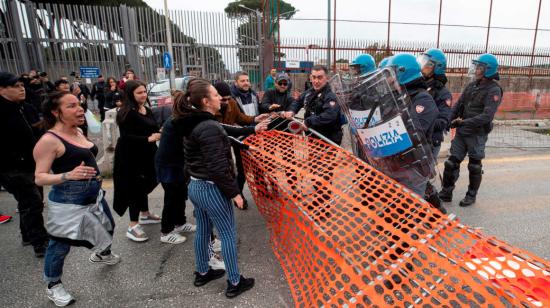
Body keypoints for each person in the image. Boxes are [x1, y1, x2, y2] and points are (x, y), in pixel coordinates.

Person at [34, 91, 120, 306]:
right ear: (56, 112)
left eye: (79, 103)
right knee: (60, 245)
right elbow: (39, 178)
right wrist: (67, 175)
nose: (80, 108)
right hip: (68, 200)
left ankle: (102, 253)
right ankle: (53, 285)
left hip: (94, 194)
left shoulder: (79, 131)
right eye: (71, 106)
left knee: (108, 226)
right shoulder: (48, 140)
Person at [174, 78, 255, 298]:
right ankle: (235, 282)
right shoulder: (207, 126)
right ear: (205, 101)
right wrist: (235, 193)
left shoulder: (193, 121)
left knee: (202, 229)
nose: (220, 97)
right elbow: (218, 168)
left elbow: (224, 130)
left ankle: (203, 271)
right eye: (215, 95)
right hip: (210, 188)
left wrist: (254, 127)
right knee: (228, 234)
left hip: (196, 186)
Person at [439, 53, 503, 207]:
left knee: (474, 165)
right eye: (476, 66)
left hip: (477, 134)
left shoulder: (494, 90)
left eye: (479, 67)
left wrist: (463, 122)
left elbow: (487, 116)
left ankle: (471, 195)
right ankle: (446, 192)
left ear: (488, 70)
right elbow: (458, 105)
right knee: (451, 163)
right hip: (462, 132)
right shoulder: (472, 86)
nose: (476, 70)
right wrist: (448, 122)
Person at [0, 72, 49, 257]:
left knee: (28, 201)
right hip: (12, 167)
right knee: (32, 202)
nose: (21, 89)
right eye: (16, 86)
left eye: (22, 85)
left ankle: (28, 234)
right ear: (2, 89)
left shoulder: (19, 107)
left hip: (30, 163)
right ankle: (40, 242)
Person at [113, 80, 161, 242]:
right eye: (139, 92)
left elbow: (153, 127)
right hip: (131, 156)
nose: (143, 94)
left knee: (151, 180)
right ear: (130, 95)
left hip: (148, 154)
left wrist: (159, 132)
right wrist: (148, 138)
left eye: (144, 91)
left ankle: (145, 213)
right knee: (136, 188)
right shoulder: (126, 113)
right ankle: (132, 226)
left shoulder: (146, 109)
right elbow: (126, 138)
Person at [386, 54, 440, 197]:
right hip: (398, 162)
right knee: (396, 202)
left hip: (414, 165)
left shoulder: (422, 99)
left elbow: (414, 133)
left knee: (411, 207)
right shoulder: (400, 96)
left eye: (392, 74)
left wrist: (387, 139)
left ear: (403, 72)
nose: (389, 79)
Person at [213, 81, 269, 209]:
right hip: (219, 146)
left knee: (241, 170)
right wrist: (248, 138)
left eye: (228, 99)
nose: (226, 102)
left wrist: (255, 119)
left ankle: (238, 195)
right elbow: (225, 131)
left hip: (233, 141)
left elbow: (240, 118)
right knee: (224, 173)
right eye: (223, 99)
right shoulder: (209, 114)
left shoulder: (232, 103)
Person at [155, 91, 197, 245]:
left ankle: (180, 222)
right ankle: (166, 231)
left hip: (177, 164)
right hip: (168, 165)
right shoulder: (178, 121)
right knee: (171, 197)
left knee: (180, 194)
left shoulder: (181, 119)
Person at [285, 65, 344, 145]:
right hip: (313, 136)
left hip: (328, 139)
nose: (316, 81)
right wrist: (292, 111)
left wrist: (308, 122)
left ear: (327, 78)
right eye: (314, 77)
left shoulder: (331, 95)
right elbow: (298, 101)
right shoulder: (310, 92)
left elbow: (329, 116)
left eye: (320, 77)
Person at [419, 48, 453, 158]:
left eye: (427, 64)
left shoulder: (443, 94)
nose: (422, 66)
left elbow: (443, 121)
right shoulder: (419, 86)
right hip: (417, 138)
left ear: (437, 68)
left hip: (431, 141)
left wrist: (419, 123)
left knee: (423, 174)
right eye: (422, 62)